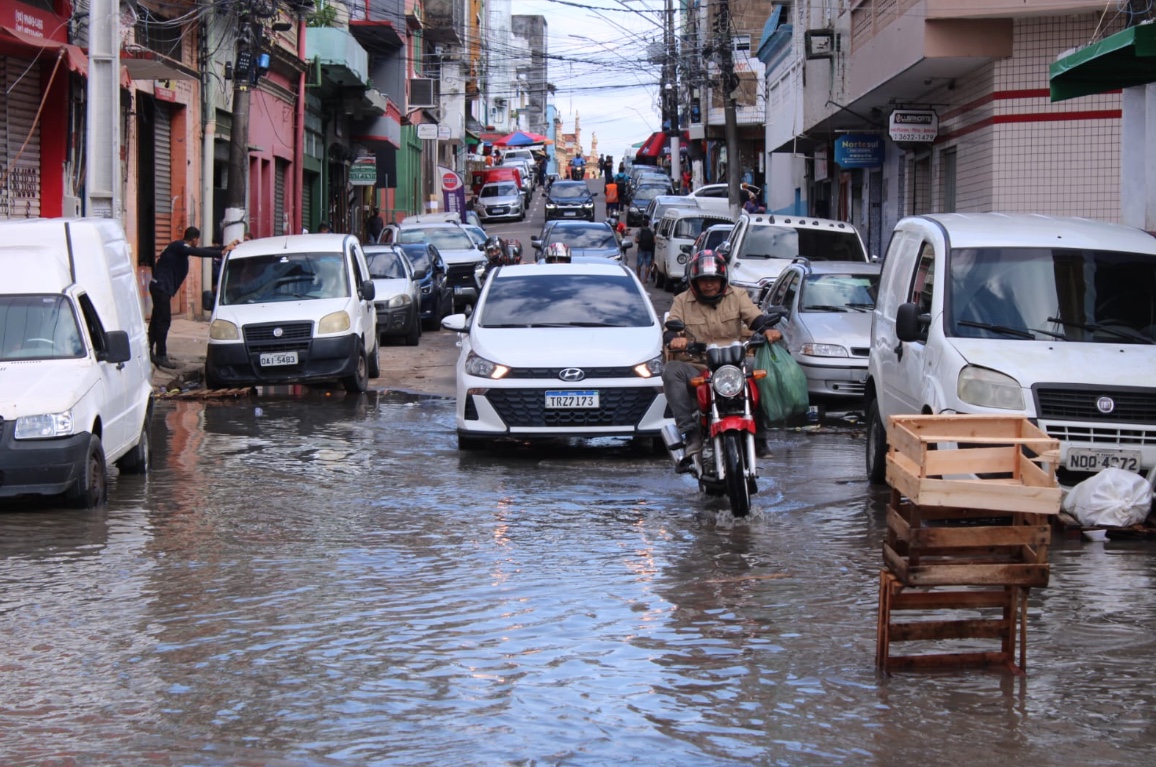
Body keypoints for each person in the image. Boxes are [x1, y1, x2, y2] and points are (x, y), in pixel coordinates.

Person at [661, 250, 782, 464]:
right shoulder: (681, 300)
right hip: (699, 366)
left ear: (722, 280)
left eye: (714, 280)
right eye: (704, 281)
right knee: (671, 371)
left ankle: (761, 437)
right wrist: (674, 338)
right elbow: (671, 326)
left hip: (734, 365)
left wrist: (767, 330)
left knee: (760, 371)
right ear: (694, 282)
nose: (709, 285)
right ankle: (690, 433)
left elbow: (755, 318)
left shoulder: (738, 295)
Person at [149, 226, 238, 368]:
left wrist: (224, 247)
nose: (197, 243)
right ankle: (160, 355)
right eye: (197, 240)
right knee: (163, 321)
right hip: (161, 288)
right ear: (195, 239)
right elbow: (197, 252)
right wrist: (221, 251)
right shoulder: (181, 247)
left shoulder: (178, 246)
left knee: (156, 320)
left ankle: (149, 349)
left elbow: (202, 249)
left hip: (159, 287)